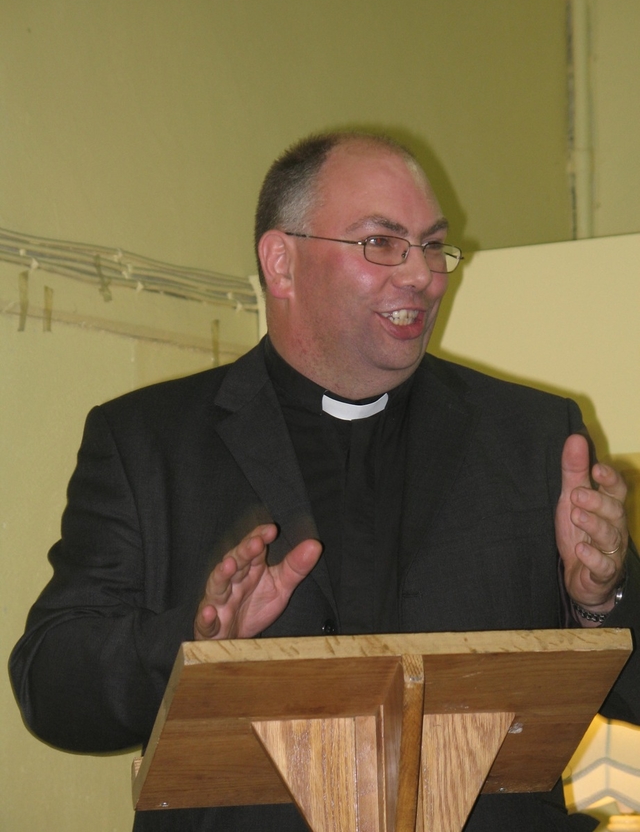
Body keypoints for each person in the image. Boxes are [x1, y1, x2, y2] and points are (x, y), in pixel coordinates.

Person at [10, 132, 639, 832]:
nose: (422, 274)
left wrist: (597, 599)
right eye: (381, 243)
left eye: (434, 245)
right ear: (281, 262)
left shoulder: (532, 438)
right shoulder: (147, 442)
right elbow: (49, 685)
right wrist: (192, 643)